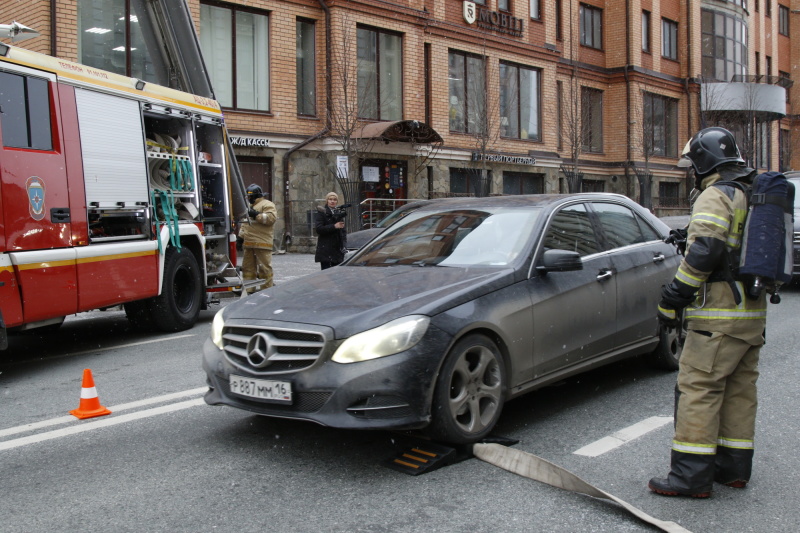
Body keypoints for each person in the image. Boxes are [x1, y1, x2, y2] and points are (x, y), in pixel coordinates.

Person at [648, 127, 767, 498]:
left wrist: (672, 299)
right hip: (751, 315)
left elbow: (705, 253)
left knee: (698, 388)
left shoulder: (716, 194)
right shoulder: (750, 192)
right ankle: (732, 469)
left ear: (703, 161)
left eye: (693, 164)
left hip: (717, 317)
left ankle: (690, 478)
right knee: (738, 390)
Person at [239, 184, 277, 292]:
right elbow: (245, 224)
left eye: (250, 197)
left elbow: (271, 218)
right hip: (249, 243)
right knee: (248, 269)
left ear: (256, 196)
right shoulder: (249, 207)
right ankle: (249, 290)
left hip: (262, 242)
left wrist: (256, 214)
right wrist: (240, 238)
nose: (249, 199)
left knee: (264, 269)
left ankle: (267, 290)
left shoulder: (267, 204)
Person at [314, 191, 348, 269]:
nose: (332, 201)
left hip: (337, 250)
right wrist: (334, 226)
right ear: (327, 201)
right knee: (327, 275)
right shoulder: (322, 213)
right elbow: (319, 229)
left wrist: (344, 246)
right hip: (326, 249)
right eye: (330, 199)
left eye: (334, 199)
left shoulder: (338, 213)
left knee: (336, 276)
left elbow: (343, 232)